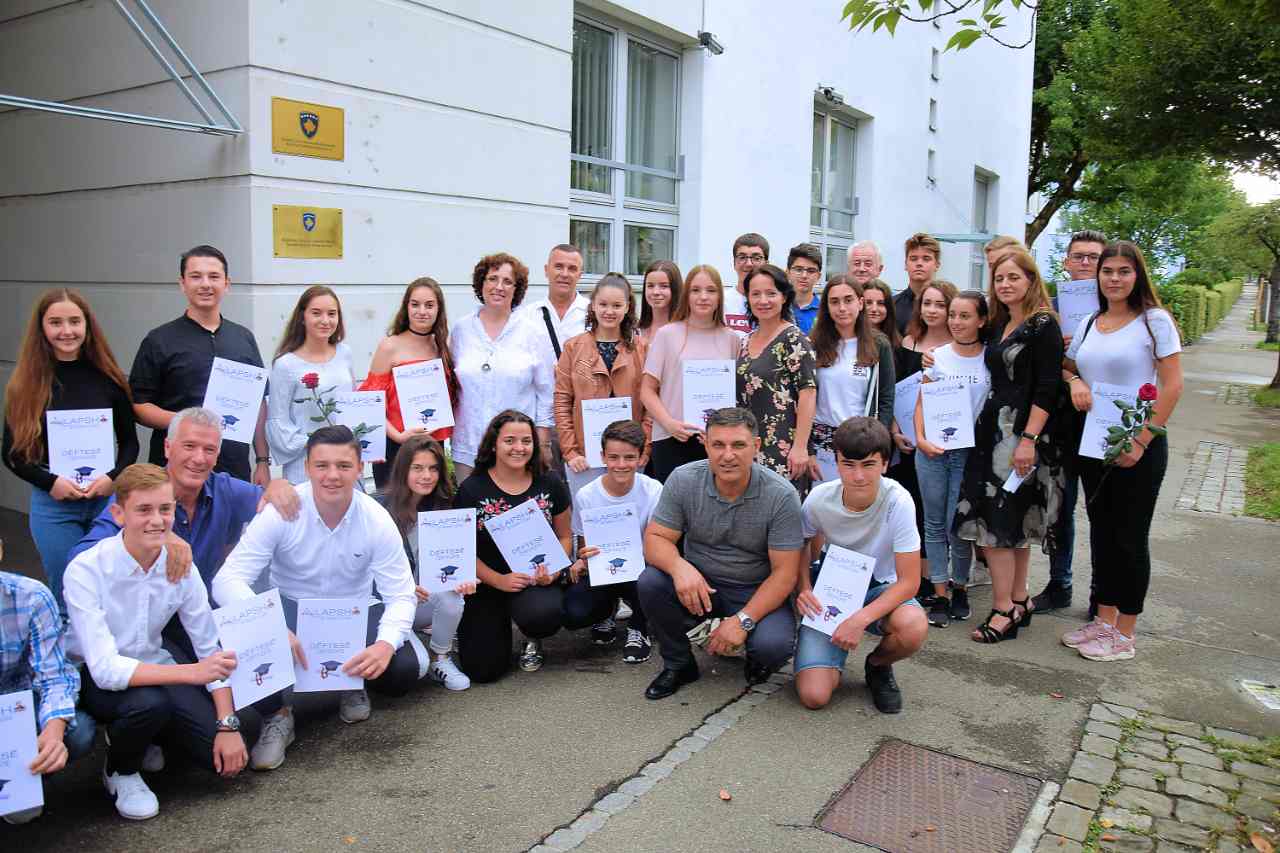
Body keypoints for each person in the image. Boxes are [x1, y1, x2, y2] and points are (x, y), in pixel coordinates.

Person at [212, 426, 420, 769]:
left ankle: (351, 683)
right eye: (322, 465)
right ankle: (278, 715)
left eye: (343, 465)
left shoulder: (375, 518)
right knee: (245, 638)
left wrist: (384, 645)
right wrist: (269, 625)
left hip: (352, 612)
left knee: (403, 670)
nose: (332, 475)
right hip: (290, 609)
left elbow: (400, 594)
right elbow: (226, 580)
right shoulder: (283, 510)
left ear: (360, 468)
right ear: (307, 467)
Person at [64, 464, 261, 820]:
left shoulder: (179, 564)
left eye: (165, 509)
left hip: (154, 663)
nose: (157, 520)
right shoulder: (86, 570)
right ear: (118, 514)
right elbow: (106, 670)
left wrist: (227, 724)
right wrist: (193, 673)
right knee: (148, 705)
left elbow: (209, 648)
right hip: (91, 675)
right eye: (144, 510)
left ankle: (148, 736)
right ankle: (121, 770)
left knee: (225, 749)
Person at [1061, 241, 1182, 662]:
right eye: (1107, 271)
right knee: (1102, 533)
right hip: (1095, 443)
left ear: (1137, 275)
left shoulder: (1154, 321)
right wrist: (1074, 381)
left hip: (1138, 446)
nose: (1114, 278)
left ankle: (1125, 633)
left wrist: (1141, 440)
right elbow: (1068, 365)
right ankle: (1103, 620)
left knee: (1129, 538)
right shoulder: (1091, 322)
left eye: (1123, 271)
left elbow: (1173, 386)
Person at [638, 408, 803, 700]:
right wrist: (679, 567)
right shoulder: (684, 479)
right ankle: (679, 663)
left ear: (756, 446)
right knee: (651, 582)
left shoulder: (781, 495)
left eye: (738, 445)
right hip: (702, 584)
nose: (728, 455)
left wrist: (743, 621)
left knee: (773, 647)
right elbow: (655, 539)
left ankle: (756, 656)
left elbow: (785, 574)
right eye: (718, 445)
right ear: (705, 445)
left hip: (755, 588)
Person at [69, 407, 301, 599]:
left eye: (209, 449)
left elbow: (276, 500)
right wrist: (152, 536)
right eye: (189, 446)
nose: (199, 458)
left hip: (204, 614)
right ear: (168, 448)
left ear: (217, 455)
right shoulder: (139, 492)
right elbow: (79, 558)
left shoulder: (225, 489)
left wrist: (278, 486)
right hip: (147, 621)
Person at [3, 289, 138, 615]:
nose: (67, 330)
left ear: (87, 326)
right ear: (42, 328)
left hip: (105, 502)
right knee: (66, 593)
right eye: (56, 322)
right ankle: (66, 649)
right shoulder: (26, 384)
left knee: (112, 590)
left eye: (75, 321)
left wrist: (112, 478)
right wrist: (51, 483)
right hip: (54, 506)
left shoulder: (110, 379)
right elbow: (11, 453)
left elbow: (130, 443)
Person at [955, 249, 1065, 643]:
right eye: (999, 278)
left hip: (1020, 436)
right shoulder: (1001, 321)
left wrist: (1028, 440)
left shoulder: (1043, 325)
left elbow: (1048, 387)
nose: (1005, 284)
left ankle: (1002, 609)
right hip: (993, 432)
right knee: (1012, 522)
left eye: (1013, 277)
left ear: (1031, 280)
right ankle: (1019, 599)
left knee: (997, 525)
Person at [793, 417, 927, 713]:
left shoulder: (899, 501)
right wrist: (804, 587)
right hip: (831, 586)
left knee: (913, 626)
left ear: (885, 464)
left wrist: (858, 620)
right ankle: (823, 654)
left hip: (879, 586)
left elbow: (910, 582)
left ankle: (878, 664)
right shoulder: (819, 498)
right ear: (837, 462)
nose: (858, 476)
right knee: (814, 696)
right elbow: (800, 545)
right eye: (848, 464)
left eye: (868, 465)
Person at [129, 245, 270, 485]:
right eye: (196, 276)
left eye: (214, 276)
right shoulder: (159, 340)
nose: (205, 284)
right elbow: (139, 406)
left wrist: (262, 461)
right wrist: (188, 422)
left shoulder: (243, 337)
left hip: (233, 470)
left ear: (226, 283)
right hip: (176, 471)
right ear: (182, 283)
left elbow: (257, 404)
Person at [453, 411, 577, 680]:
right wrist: (498, 580)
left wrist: (554, 571)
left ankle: (532, 637)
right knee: (483, 671)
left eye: (526, 441)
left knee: (543, 616)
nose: (519, 448)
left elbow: (565, 537)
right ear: (493, 444)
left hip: (534, 580)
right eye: (509, 440)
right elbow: (461, 550)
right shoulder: (472, 489)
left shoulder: (550, 481)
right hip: (488, 581)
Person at [1032, 229, 1108, 615]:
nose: (1085, 263)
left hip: (1101, 419)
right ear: (1066, 262)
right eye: (1078, 256)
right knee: (1059, 508)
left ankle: (1101, 593)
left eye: (1093, 257)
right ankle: (1059, 583)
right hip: (1059, 421)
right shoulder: (1049, 307)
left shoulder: (1118, 307)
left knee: (1101, 511)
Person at [0, 543, 96, 825]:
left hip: (14, 708)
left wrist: (53, 734)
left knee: (78, 733)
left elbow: (54, 676)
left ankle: (20, 786)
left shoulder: (31, 597)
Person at [911, 291, 991, 627]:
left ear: (982, 320)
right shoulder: (937, 357)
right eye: (953, 315)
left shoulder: (990, 358)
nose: (956, 322)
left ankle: (961, 587)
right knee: (933, 524)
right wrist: (920, 438)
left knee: (958, 526)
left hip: (968, 454)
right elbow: (921, 402)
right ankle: (940, 592)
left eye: (965, 316)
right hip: (932, 450)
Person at [378, 434, 476, 690]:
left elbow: (452, 560)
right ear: (403, 470)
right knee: (416, 667)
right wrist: (403, 591)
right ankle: (413, 646)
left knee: (453, 597)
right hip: (387, 604)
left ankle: (440, 658)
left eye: (433, 469)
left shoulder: (443, 508)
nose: (427, 476)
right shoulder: (379, 510)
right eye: (418, 468)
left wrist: (463, 578)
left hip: (422, 600)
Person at [449, 253, 553, 483]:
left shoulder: (532, 332)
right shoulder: (461, 330)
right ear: (481, 283)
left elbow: (547, 393)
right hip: (469, 446)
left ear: (517, 289)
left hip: (517, 450)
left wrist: (542, 442)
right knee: (471, 504)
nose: (499, 287)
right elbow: (450, 385)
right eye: (492, 279)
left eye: (508, 281)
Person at [566, 420, 664, 663]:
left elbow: (658, 542)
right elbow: (583, 541)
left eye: (629, 457)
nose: (621, 465)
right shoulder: (586, 495)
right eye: (613, 457)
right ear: (602, 457)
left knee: (654, 577)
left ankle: (638, 626)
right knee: (574, 612)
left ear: (641, 458)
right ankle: (606, 611)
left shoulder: (653, 490)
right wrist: (582, 558)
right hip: (602, 569)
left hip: (641, 566)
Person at [554, 273, 650, 506]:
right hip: (584, 457)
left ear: (627, 307)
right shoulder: (573, 347)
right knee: (588, 516)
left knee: (627, 515)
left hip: (629, 456)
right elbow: (562, 401)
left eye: (617, 305)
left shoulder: (641, 348)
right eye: (603, 304)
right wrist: (570, 451)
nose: (609, 311)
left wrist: (644, 449)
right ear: (593, 305)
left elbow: (650, 403)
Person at [641, 265, 741, 482]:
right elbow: (647, 391)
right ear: (686, 295)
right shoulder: (667, 335)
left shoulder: (732, 339)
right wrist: (669, 423)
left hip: (717, 442)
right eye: (696, 290)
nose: (703, 297)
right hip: (671, 438)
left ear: (720, 296)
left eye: (711, 290)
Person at [891, 280, 957, 598]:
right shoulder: (908, 341)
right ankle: (916, 577)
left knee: (942, 511)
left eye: (940, 304)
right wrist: (895, 429)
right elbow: (895, 390)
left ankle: (940, 577)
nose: (932, 310)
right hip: (908, 439)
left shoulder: (960, 345)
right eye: (927, 304)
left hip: (946, 440)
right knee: (914, 507)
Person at [360, 277, 459, 491]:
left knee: (429, 506)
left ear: (439, 309)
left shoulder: (442, 346)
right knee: (394, 506)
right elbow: (370, 402)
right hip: (396, 445)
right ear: (406, 307)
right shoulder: (389, 346)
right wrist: (397, 436)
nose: (422, 311)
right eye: (415, 304)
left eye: (429, 305)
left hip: (432, 446)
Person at [736, 264, 817, 496]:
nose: (763, 300)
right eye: (756, 294)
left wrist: (800, 447)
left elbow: (808, 393)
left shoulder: (795, 339)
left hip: (783, 447)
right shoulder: (745, 341)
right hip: (748, 445)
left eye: (771, 293)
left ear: (784, 296)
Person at [809, 274, 896, 483]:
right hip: (821, 441)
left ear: (860, 302)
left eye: (848, 300)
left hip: (861, 442)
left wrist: (879, 442)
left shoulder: (878, 344)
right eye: (834, 302)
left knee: (857, 499)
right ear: (826, 307)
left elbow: (886, 398)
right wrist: (807, 448)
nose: (842, 308)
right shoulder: (813, 344)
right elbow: (803, 397)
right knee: (823, 500)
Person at [266, 286, 355, 484]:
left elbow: (353, 405)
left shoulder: (345, 353)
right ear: (302, 317)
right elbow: (278, 420)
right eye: (316, 313)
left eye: (331, 314)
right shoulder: (286, 364)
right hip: (305, 465)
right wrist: (319, 444)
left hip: (344, 462)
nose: (325, 320)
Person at [893, 233, 942, 336]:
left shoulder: (949, 305)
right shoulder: (892, 306)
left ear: (937, 265)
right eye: (913, 258)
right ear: (905, 264)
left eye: (926, 258)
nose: (919, 263)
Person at [724, 233, 770, 333]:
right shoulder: (721, 301)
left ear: (766, 264)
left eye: (756, 258)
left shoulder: (774, 303)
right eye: (742, 257)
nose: (749, 264)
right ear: (734, 263)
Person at [638, 260, 682, 344]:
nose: (656, 292)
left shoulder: (685, 331)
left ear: (675, 289)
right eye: (650, 286)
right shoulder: (635, 332)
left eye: (664, 286)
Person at [786, 243, 824, 334]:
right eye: (798, 269)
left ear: (818, 276)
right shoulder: (778, 307)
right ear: (788, 272)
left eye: (811, 271)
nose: (804, 275)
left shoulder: (825, 312)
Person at [862, 279, 902, 350]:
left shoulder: (898, 344)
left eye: (880, 303)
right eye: (868, 303)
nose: (874, 309)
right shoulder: (849, 340)